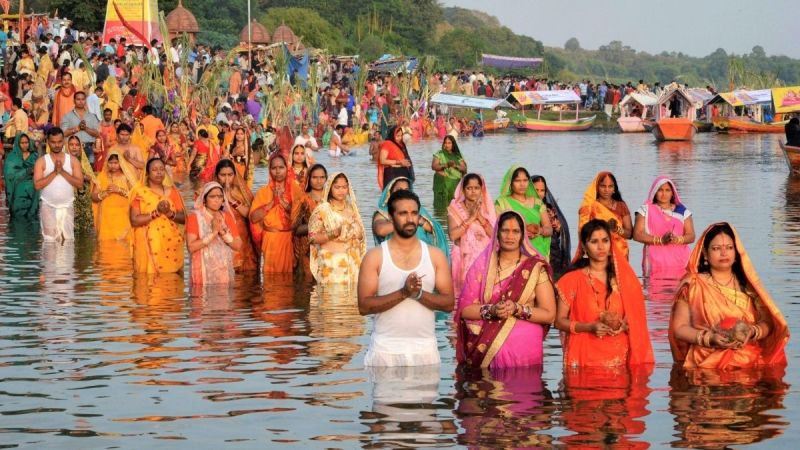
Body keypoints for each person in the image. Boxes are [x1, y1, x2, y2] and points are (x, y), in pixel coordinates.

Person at [669, 222, 789, 370]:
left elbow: (769, 323)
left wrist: (751, 332)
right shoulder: (692, 284)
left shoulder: (748, 286)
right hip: (705, 364)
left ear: (736, 252)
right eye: (716, 248)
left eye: (729, 248)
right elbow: (679, 328)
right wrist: (710, 338)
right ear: (705, 253)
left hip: (749, 362)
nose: (724, 253)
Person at [358, 189, 454, 366]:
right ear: (391, 217)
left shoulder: (435, 256)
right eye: (403, 213)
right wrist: (403, 293)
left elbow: (449, 304)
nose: (410, 219)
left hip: (426, 352)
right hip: (385, 352)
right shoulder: (375, 257)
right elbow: (364, 306)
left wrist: (418, 294)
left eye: (414, 213)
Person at [455, 211, 557, 368]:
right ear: (497, 233)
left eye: (516, 231)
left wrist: (518, 309)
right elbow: (465, 310)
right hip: (484, 350)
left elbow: (549, 315)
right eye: (505, 231)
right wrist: (492, 310)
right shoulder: (481, 266)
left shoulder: (535, 268)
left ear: (523, 235)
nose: (510, 236)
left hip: (524, 354)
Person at [555, 219, 654, 368]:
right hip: (583, 359)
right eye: (594, 241)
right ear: (584, 247)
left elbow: (636, 319)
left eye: (605, 241)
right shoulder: (571, 280)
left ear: (611, 244)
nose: (601, 247)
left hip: (619, 359)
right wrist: (589, 327)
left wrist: (624, 325)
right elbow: (559, 321)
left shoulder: (625, 280)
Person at [129, 158, 187, 274]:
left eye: (161, 169)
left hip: (170, 243)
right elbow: (134, 220)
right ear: (148, 173)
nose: (159, 172)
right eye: (155, 170)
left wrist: (169, 213)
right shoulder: (140, 193)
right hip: (147, 244)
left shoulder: (173, 192)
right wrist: (156, 213)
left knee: (171, 281)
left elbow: (184, 218)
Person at [308, 172, 366, 285]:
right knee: (332, 300)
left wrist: (355, 232)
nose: (341, 191)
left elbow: (362, 236)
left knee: (351, 300)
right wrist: (334, 233)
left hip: (352, 265)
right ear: (330, 188)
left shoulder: (352, 209)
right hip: (331, 265)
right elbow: (312, 238)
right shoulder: (323, 210)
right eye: (337, 187)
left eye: (344, 187)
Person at [249, 154, 304, 273]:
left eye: (281, 167)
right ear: (269, 170)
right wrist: (272, 203)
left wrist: (287, 206)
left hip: (290, 240)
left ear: (287, 168)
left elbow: (302, 217)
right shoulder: (263, 192)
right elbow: (253, 218)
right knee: (270, 282)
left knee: (290, 282)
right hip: (271, 241)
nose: (278, 171)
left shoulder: (296, 190)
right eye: (274, 168)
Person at [373, 177, 450, 259]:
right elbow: (380, 230)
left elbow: (434, 230)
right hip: (396, 256)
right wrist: (407, 222)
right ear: (390, 193)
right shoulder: (383, 212)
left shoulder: (419, 210)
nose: (403, 192)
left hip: (422, 255)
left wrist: (420, 221)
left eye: (406, 189)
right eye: (399, 190)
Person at [633, 176, 695, 277]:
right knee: (654, 291)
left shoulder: (682, 211)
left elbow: (691, 235)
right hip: (654, 263)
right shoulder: (645, 210)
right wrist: (660, 240)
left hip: (681, 262)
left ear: (672, 193)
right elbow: (637, 234)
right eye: (660, 190)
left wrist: (677, 239)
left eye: (667, 190)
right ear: (654, 192)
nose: (664, 194)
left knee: (680, 291)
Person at [447, 173, 495, 297]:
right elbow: (453, 235)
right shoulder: (455, 208)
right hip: (463, 258)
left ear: (481, 189)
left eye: (476, 188)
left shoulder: (487, 209)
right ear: (463, 190)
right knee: (464, 296)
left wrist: (480, 218)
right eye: (469, 188)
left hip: (484, 258)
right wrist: (471, 218)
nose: (473, 191)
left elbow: (494, 235)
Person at [33, 127, 84, 242]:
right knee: (49, 243)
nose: (56, 145)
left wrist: (63, 172)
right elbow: (37, 185)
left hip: (67, 205)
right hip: (47, 206)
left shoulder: (72, 160)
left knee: (68, 242)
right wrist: (55, 172)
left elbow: (80, 184)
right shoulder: (41, 161)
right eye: (53, 142)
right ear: (48, 142)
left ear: (63, 141)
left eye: (59, 142)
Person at [187, 182, 243, 285]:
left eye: (220, 196)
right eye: (212, 196)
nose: (217, 200)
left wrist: (223, 233)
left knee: (223, 298)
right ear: (204, 199)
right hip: (202, 270)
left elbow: (238, 246)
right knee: (202, 299)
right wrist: (213, 234)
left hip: (223, 270)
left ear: (223, 200)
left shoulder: (227, 217)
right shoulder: (195, 217)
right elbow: (191, 247)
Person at [495, 166, 553, 259]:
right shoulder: (502, 203)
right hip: (513, 251)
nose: (522, 184)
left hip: (538, 251)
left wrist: (539, 231)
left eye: (525, 180)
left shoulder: (537, 202)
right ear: (510, 182)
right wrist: (522, 232)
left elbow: (549, 229)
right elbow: (496, 229)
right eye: (517, 181)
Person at [214, 159, 258, 272]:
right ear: (217, 176)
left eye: (230, 175)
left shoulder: (242, 192)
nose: (227, 178)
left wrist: (232, 201)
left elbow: (250, 215)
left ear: (235, 174)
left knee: (245, 278)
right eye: (223, 175)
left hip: (242, 240)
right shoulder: (210, 193)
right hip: (220, 240)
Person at [577, 171, 632, 259]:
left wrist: (617, 229)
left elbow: (629, 234)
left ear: (614, 189)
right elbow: (583, 231)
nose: (606, 190)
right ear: (597, 187)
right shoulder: (590, 207)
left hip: (620, 253)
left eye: (610, 186)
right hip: (596, 252)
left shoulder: (621, 206)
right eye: (603, 186)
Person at [92, 149, 137, 241]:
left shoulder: (126, 176)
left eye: (116, 162)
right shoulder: (101, 176)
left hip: (123, 215)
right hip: (106, 216)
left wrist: (119, 190)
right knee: (106, 243)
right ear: (107, 163)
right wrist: (105, 193)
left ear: (121, 163)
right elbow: (93, 196)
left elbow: (134, 195)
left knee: (124, 243)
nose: (113, 165)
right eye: (111, 162)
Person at [531, 175, 571, 278]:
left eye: (542, 190)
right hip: (533, 252)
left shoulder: (548, 208)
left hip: (553, 252)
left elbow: (559, 230)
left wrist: (557, 229)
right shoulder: (525, 209)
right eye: (536, 190)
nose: (539, 194)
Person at [3, 133, 39, 222]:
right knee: (17, 220)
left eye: (26, 142)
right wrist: (28, 171)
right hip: (17, 193)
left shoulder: (34, 156)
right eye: (22, 143)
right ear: (18, 143)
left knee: (33, 218)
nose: (24, 145)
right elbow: (9, 176)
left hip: (33, 191)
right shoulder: (12, 157)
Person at [66, 136, 96, 234]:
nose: (74, 147)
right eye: (71, 145)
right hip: (69, 199)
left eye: (77, 145)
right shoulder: (63, 161)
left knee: (85, 232)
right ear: (67, 146)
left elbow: (90, 177)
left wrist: (81, 175)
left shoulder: (83, 160)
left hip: (84, 200)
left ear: (80, 147)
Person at [61, 91, 101, 164]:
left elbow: (97, 133)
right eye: (78, 99)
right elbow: (63, 133)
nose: (80, 101)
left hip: (88, 148)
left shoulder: (92, 116)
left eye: (82, 99)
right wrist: (77, 128)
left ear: (85, 101)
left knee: (89, 173)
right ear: (74, 101)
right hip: (72, 149)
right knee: (73, 172)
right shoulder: (67, 116)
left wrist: (85, 128)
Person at [431, 135, 467, 209]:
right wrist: (445, 165)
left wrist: (455, 166)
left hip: (455, 183)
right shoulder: (439, 154)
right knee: (442, 206)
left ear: (453, 144)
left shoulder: (457, 155)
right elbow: (434, 166)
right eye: (445, 143)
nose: (447, 145)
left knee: (455, 205)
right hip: (443, 183)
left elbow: (464, 168)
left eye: (449, 143)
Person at [377, 125, 413, 190]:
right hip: (392, 175)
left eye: (401, 135)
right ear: (392, 135)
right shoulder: (387, 144)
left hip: (402, 174)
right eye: (397, 136)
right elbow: (382, 160)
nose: (400, 138)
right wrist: (399, 162)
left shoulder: (401, 145)